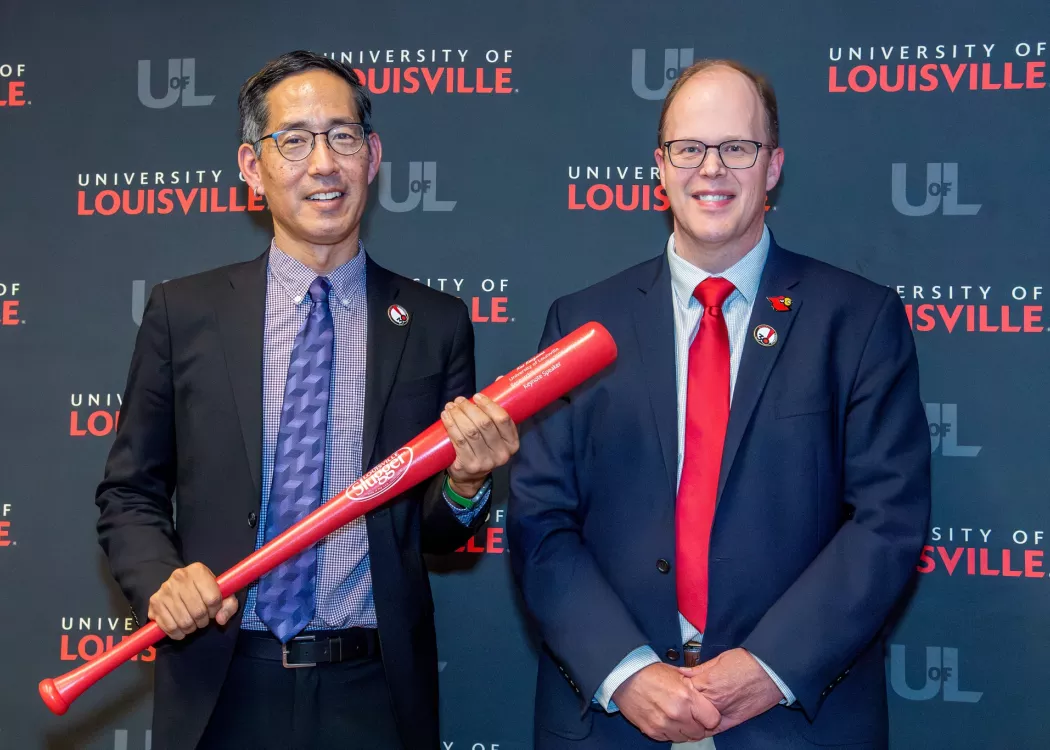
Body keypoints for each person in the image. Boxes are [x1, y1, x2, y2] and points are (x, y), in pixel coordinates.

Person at [96, 50, 519, 750]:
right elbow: (129, 493)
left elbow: (436, 535)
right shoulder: (185, 312)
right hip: (222, 681)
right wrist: (163, 580)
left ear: (372, 157)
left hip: (374, 691)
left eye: (342, 137)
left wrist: (468, 483)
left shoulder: (435, 323)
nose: (323, 164)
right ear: (252, 167)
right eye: (293, 141)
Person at [508, 59, 930, 750]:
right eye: (689, 149)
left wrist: (768, 668)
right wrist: (626, 672)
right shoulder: (581, 323)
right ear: (660, 167)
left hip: (791, 722)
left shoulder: (857, 321)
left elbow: (887, 522)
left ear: (773, 166)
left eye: (737, 147)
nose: (712, 169)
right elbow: (539, 519)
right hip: (615, 722)